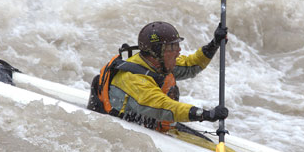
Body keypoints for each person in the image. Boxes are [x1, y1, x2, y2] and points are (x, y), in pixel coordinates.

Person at [88, 21, 229, 132]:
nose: (178, 51)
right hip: (122, 133)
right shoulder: (135, 80)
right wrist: (204, 114)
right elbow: (164, 107)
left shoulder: (158, 64)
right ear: (156, 53)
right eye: (173, 47)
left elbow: (191, 65)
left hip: (152, 124)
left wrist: (214, 44)